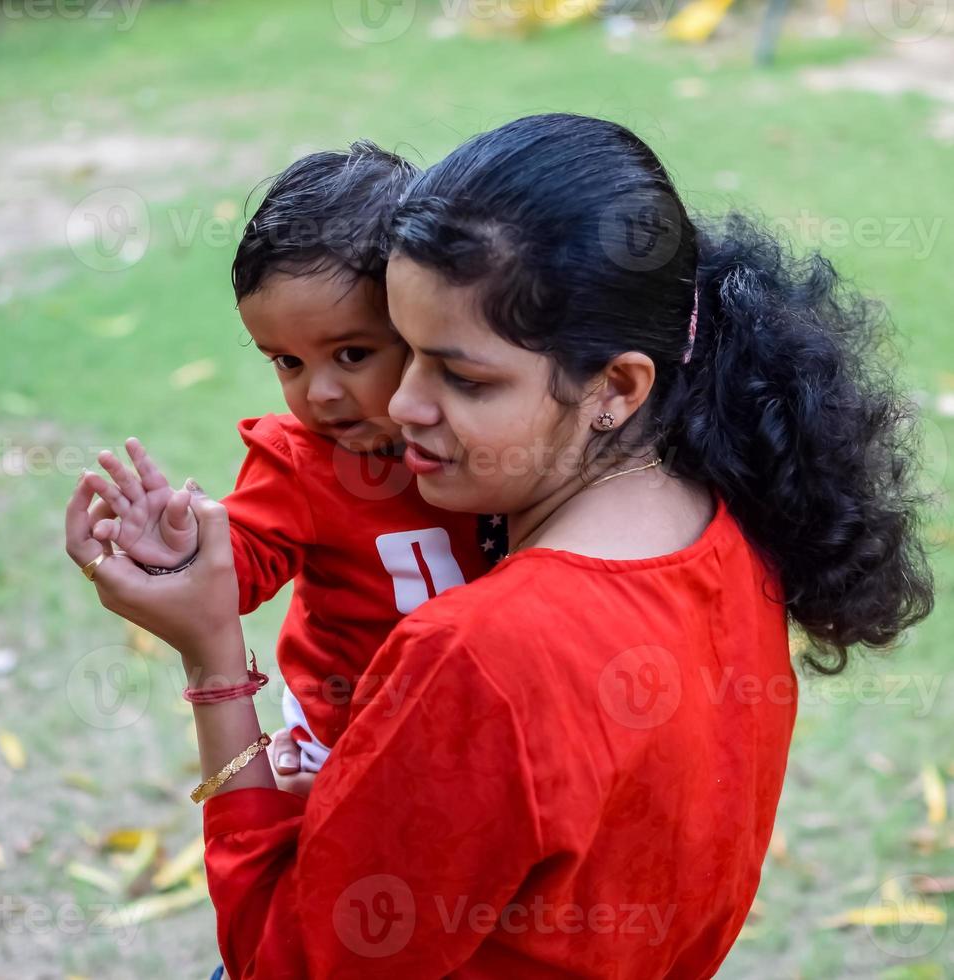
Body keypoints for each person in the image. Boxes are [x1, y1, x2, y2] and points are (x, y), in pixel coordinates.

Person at [65, 113, 934, 978]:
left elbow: (281, 963)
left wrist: (214, 658)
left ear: (616, 386)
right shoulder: (731, 526)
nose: (399, 405)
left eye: (462, 376)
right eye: (405, 351)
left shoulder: (482, 655)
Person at [79, 141, 494, 776]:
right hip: (349, 733)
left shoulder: (488, 435)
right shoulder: (297, 461)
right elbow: (241, 565)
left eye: (353, 354)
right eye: (288, 362)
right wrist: (181, 548)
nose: (320, 392)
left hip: (484, 715)